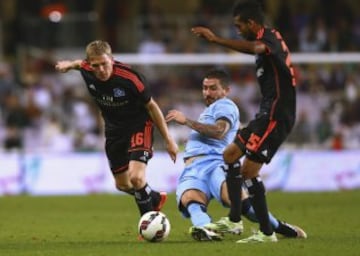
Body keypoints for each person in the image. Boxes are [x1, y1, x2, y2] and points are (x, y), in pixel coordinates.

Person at [191, 0, 297, 243]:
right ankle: (235, 220)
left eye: (239, 26)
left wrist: (216, 40)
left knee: (249, 170)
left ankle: (267, 233)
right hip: (265, 113)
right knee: (229, 155)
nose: (237, 30)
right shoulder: (270, 39)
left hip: (277, 115)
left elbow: (256, 48)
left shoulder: (267, 39)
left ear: (252, 23)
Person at [166, 69, 305, 241]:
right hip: (193, 168)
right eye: (205, 88)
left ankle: (280, 227)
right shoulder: (210, 111)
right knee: (191, 200)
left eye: (213, 88)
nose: (207, 92)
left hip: (214, 164)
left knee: (242, 205)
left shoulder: (225, 105)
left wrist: (186, 121)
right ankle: (204, 229)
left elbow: (219, 131)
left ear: (226, 91)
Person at [55, 40, 178, 217]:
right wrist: (68, 65)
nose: (101, 70)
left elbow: (152, 106)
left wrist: (168, 139)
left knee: (136, 178)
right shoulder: (86, 69)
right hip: (114, 130)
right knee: (123, 185)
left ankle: (148, 222)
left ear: (112, 59)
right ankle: (154, 196)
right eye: (95, 66)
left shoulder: (131, 78)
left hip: (139, 126)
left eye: (104, 64)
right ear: (89, 64)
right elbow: (78, 64)